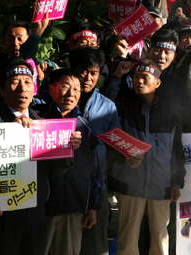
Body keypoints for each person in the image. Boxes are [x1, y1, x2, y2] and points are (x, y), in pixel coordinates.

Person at [0, 58, 81, 255]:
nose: (22, 89)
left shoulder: (42, 124)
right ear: (1, 90)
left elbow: (55, 171)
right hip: (3, 218)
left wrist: (67, 149)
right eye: (15, 82)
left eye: (27, 82)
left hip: (36, 216)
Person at [108, 59, 186, 255]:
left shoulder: (170, 112)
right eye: (135, 77)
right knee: (127, 240)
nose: (139, 82)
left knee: (160, 240)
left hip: (161, 187)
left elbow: (177, 149)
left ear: (157, 83)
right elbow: (112, 140)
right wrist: (123, 156)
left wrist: (176, 182)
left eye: (145, 78)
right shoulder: (122, 107)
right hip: (130, 184)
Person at [68, 47, 121, 255]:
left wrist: (127, 157)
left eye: (94, 73)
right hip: (65, 184)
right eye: (84, 71)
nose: (88, 78)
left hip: (97, 187)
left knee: (96, 247)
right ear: (73, 69)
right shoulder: (58, 99)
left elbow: (115, 146)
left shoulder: (107, 106)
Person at [42, 68, 99, 255]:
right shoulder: (37, 121)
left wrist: (91, 206)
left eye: (76, 89)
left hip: (73, 207)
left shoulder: (86, 127)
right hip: (42, 208)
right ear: (51, 89)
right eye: (65, 87)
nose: (71, 94)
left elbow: (93, 171)